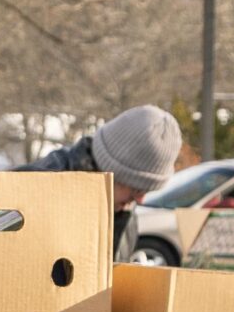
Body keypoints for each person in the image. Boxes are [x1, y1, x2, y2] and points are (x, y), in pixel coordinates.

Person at [15, 104, 183, 260]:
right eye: (137, 189)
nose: (141, 200)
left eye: (147, 191)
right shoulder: (37, 185)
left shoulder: (125, 217)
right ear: (112, 169)